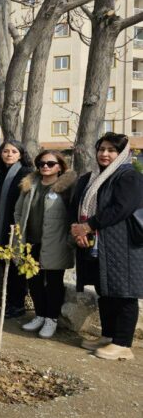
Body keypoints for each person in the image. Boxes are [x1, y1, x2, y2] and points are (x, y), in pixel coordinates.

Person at [70, 132, 143, 360]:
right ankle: (109, 336)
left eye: (111, 150)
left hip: (123, 246)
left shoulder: (128, 176)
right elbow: (79, 205)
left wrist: (88, 226)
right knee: (105, 290)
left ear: (122, 153)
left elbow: (121, 208)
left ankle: (122, 344)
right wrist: (80, 229)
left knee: (124, 292)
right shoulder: (95, 177)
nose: (104, 154)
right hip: (98, 244)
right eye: (101, 149)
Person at [13, 150, 75, 338]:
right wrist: (18, 233)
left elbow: (73, 215)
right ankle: (40, 314)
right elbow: (18, 211)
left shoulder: (67, 188)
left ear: (60, 166)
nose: (45, 167)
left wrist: (70, 240)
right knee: (34, 281)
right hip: (30, 242)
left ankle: (51, 319)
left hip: (56, 243)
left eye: (50, 163)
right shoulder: (30, 185)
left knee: (54, 283)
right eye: (41, 163)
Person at [0, 140, 32, 318]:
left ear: (20, 154)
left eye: (14, 151)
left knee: (16, 267)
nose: (9, 154)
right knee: (4, 265)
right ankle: (7, 302)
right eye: (6, 151)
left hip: (16, 228)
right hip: (1, 226)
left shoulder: (25, 173)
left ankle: (17, 305)